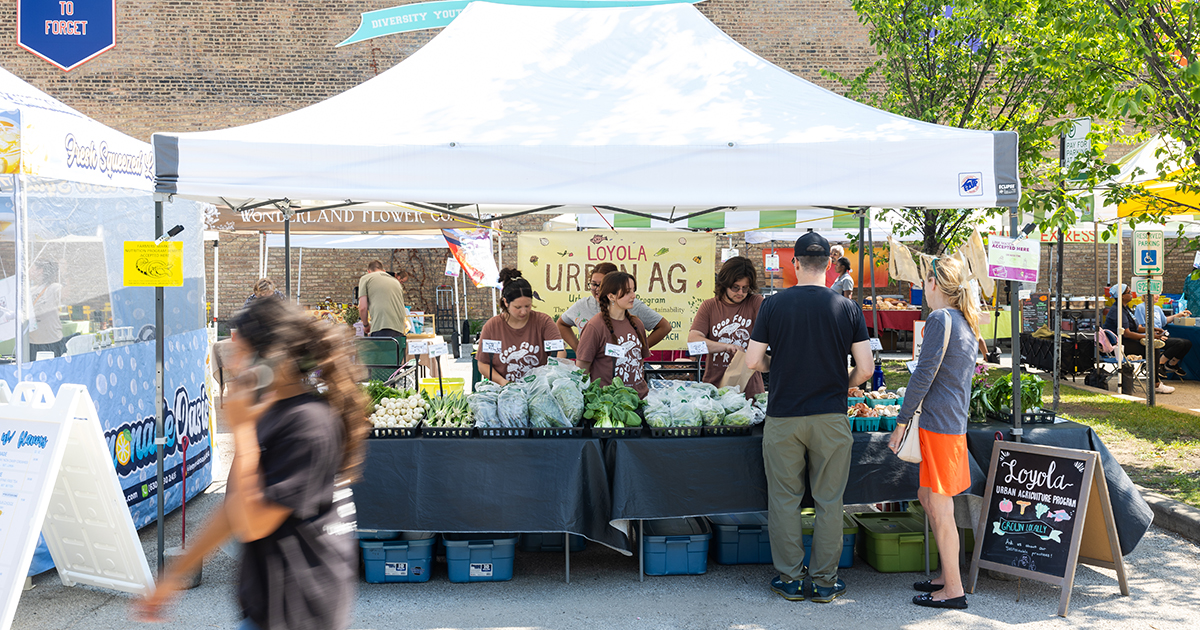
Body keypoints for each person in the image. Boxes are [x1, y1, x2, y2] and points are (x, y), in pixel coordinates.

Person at [136, 297, 364, 630]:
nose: (235, 365)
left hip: (301, 613)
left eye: (241, 353)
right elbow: (234, 510)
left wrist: (242, 430)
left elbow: (254, 522)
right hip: (268, 608)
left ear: (275, 358)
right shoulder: (269, 413)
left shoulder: (309, 424)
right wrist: (172, 579)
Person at [745, 233, 873, 604]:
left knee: (784, 499)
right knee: (829, 501)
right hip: (830, 416)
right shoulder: (847, 307)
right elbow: (865, 368)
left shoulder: (773, 305)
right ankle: (824, 582)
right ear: (829, 265)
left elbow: (753, 361)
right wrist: (842, 383)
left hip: (784, 415)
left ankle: (789, 580)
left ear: (795, 263)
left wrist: (776, 366)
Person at [886, 256, 978, 610]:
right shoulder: (963, 320)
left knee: (939, 508)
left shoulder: (940, 319)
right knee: (929, 499)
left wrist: (901, 421)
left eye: (924, 281)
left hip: (939, 425)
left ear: (934, 284)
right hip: (949, 423)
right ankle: (946, 575)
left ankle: (953, 590)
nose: (922, 287)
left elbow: (923, 375)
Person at [688, 256, 765, 396]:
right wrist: (726, 346)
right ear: (725, 283)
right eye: (735, 287)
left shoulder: (755, 302)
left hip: (749, 388)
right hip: (715, 387)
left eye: (745, 288)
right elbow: (693, 342)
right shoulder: (709, 306)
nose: (740, 293)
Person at [477, 268, 566, 385]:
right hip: (504, 390)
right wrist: (504, 383)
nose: (524, 312)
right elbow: (483, 364)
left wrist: (551, 376)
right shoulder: (492, 326)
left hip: (539, 389)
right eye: (518, 307)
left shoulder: (544, 322)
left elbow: (560, 352)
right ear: (505, 302)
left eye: (528, 306)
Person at [557, 262, 672, 351]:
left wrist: (640, 350)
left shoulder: (632, 305)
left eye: (601, 285)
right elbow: (561, 324)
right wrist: (578, 349)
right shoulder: (582, 305)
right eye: (593, 284)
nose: (597, 289)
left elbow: (664, 327)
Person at [575, 271, 650, 399]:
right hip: (610, 404)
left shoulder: (637, 324)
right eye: (627, 292)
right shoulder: (595, 326)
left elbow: (640, 361)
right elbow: (582, 369)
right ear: (611, 296)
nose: (633, 296)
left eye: (633, 290)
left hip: (639, 400)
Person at [1104, 284, 1187, 392]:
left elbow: (1137, 328)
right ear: (1121, 296)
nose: (1131, 294)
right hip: (1121, 345)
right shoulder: (1118, 311)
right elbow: (1127, 333)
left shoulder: (1125, 308)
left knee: (1167, 343)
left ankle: (1157, 377)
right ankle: (1156, 383)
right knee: (1153, 348)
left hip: (1128, 340)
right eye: (1128, 292)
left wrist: (1153, 329)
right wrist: (1149, 336)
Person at [29, 261, 65, 358]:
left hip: (51, 341)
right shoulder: (31, 290)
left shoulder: (54, 287)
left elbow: (65, 294)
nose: (28, 270)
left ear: (40, 271)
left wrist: (64, 274)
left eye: (31, 268)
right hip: (32, 341)